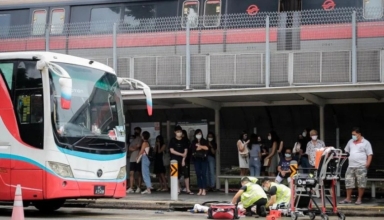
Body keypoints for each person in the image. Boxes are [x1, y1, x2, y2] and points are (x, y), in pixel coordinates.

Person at [339, 127, 373, 205]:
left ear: (359, 134)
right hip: (351, 166)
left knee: (361, 182)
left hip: (361, 166)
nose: (353, 136)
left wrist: (367, 164)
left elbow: (370, 154)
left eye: (354, 134)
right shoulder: (350, 141)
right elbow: (346, 151)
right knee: (348, 182)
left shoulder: (366, 143)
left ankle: (359, 198)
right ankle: (348, 198)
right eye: (352, 134)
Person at [169, 125, 193, 195]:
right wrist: (181, 154)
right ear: (175, 132)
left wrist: (183, 159)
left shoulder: (184, 140)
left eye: (180, 131)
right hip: (174, 160)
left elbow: (186, 151)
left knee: (186, 174)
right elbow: (172, 150)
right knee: (176, 175)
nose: (179, 133)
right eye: (177, 132)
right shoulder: (172, 140)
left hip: (183, 160)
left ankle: (188, 189)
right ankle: (178, 189)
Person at [191, 129, 209, 196]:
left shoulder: (204, 141)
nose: (199, 135)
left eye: (200, 134)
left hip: (203, 159)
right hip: (196, 159)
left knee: (203, 174)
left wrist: (200, 146)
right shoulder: (193, 142)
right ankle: (200, 189)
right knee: (198, 174)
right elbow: (194, 149)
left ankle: (204, 189)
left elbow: (207, 148)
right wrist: (202, 148)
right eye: (197, 134)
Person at [127, 127, 143, 194]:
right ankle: (131, 187)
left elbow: (138, 146)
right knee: (131, 173)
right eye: (135, 130)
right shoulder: (133, 139)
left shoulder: (140, 139)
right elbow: (129, 148)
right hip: (132, 158)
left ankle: (139, 187)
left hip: (137, 158)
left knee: (138, 173)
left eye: (137, 130)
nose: (135, 132)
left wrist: (132, 148)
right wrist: (133, 148)